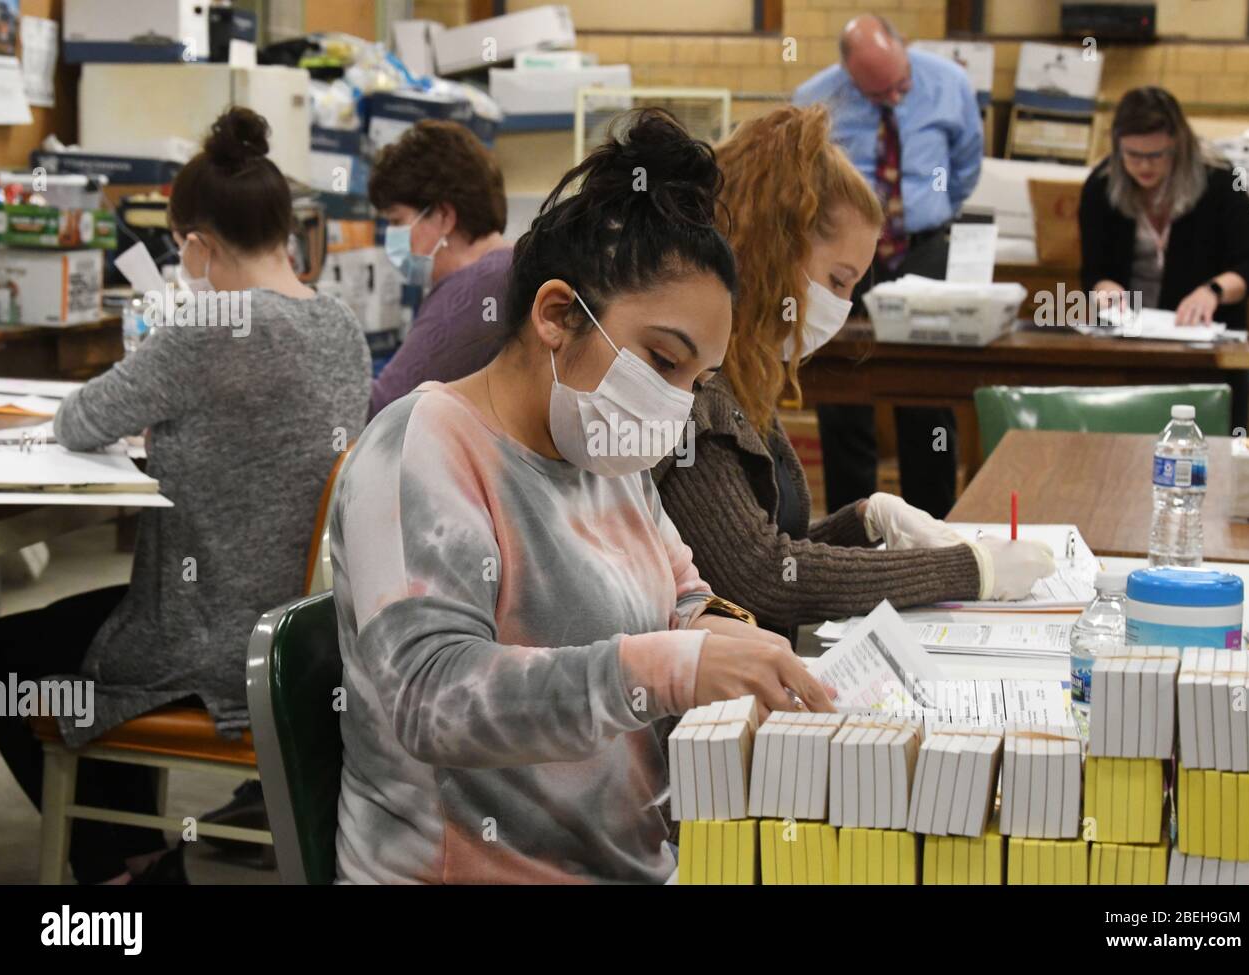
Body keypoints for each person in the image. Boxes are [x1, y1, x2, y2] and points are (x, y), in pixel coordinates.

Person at [329, 110, 833, 885]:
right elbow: (432, 698)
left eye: (695, 380)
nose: (673, 403)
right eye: (661, 360)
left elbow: (683, 593)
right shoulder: (420, 449)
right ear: (557, 314)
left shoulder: (608, 452)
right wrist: (668, 667)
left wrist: (722, 636)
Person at [0, 107, 371, 884]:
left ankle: (115, 870)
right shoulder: (339, 324)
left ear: (197, 243)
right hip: (296, 629)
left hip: (206, 637)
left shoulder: (210, 327)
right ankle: (143, 855)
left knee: (7, 658)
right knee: (71, 632)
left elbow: (81, 415)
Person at [653, 104, 1054, 638]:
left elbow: (769, 553)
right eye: (838, 280)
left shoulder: (744, 371)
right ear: (776, 249)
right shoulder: (693, 379)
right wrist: (968, 571)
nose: (841, 307)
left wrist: (864, 521)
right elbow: (762, 577)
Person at [793, 14, 983, 519]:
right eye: (878, 93)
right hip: (849, 258)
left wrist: (929, 215)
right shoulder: (814, 100)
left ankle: (933, 523)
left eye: (901, 85)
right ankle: (851, 526)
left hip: (924, 248)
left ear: (905, 48)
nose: (894, 98)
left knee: (926, 391)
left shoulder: (950, 83)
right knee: (844, 390)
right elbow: (801, 187)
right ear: (849, 74)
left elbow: (966, 167)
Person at [1079, 86, 1249, 430]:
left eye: (1156, 155)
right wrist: (1104, 287)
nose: (1144, 166)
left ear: (1178, 145)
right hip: (1129, 348)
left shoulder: (1221, 181)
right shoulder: (1101, 186)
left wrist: (1212, 290)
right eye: (1133, 155)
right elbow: (1093, 270)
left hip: (1204, 352)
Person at [367, 120, 511, 417]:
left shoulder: (476, 287)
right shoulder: (509, 265)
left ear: (444, 215)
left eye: (396, 221)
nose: (390, 236)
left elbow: (385, 411)